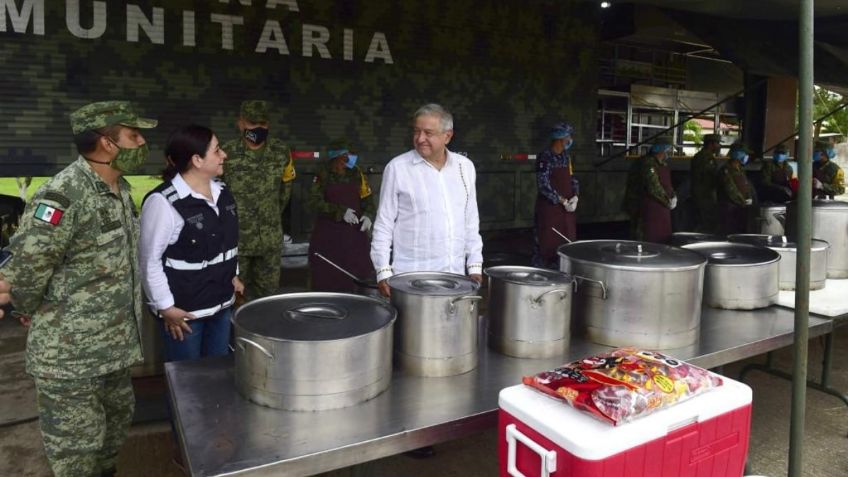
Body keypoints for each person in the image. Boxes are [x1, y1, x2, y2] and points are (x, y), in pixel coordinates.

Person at [0, 101, 155, 477]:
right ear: (106, 142)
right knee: (77, 455)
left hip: (113, 350)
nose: (143, 142)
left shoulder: (119, 188)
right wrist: (30, 308)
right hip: (70, 359)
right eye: (133, 135)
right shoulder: (64, 195)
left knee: (112, 437)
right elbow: (26, 271)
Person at [139, 125, 243, 361]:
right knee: (187, 383)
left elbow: (225, 244)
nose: (224, 155)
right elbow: (149, 261)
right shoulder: (164, 203)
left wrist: (233, 274)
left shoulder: (223, 193)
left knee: (217, 373)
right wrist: (166, 308)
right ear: (197, 159)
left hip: (221, 304)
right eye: (217, 151)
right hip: (185, 314)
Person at [371, 103, 484, 297]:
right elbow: (384, 223)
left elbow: (470, 220)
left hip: (454, 278)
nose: (420, 138)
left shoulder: (464, 167)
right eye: (416, 131)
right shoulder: (398, 168)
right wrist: (383, 270)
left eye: (428, 133)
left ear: (447, 136)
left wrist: (474, 265)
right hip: (411, 280)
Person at [221, 100, 296, 301]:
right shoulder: (226, 153)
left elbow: (285, 191)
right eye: (252, 124)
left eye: (262, 124)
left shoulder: (281, 151)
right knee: (235, 296)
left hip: (269, 240)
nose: (258, 129)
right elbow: (217, 194)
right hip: (237, 240)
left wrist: (270, 215)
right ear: (241, 124)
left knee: (269, 299)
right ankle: (236, 333)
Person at [307, 140, 376, 292]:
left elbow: (367, 197)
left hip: (354, 234)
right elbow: (313, 202)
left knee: (357, 275)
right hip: (329, 235)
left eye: (351, 155)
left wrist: (368, 215)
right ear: (335, 157)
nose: (349, 159)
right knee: (328, 276)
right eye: (345, 156)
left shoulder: (356, 172)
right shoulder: (323, 173)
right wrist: (339, 211)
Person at [532, 122, 579, 269]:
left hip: (566, 211)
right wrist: (562, 201)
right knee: (547, 243)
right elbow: (543, 185)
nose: (570, 140)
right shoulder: (545, 157)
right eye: (568, 137)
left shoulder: (566, 157)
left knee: (566, 242)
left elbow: (572, 178)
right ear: (560, 139)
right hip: (550, 210)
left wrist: (575, 196)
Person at [622, 138, 677, 243]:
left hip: (655, 207)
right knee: (642, 237)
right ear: (662, 150)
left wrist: (673, 195)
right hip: (641, 206)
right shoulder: (647, 163)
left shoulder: (660, 163)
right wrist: (668, 201)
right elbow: (653, 186)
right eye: (668, 150)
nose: (669, 153)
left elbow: (666, 184)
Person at [718, 142, 755, 235]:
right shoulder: (726, 170)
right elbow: (730, 189)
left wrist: (749, 198)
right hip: (729, 208)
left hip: (740, 208)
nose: (747, 156)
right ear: (737, 154)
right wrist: (742, 201)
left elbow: (746, 185)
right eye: (745, 153)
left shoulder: (740, 169)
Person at [690, 133, 721, 232]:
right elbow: (708, 176)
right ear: (711, 144)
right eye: (717, 144)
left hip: (704, 193)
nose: (719, 146)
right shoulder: (704, 158)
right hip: (704, 194)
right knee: (706, 222)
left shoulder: (705, 156)